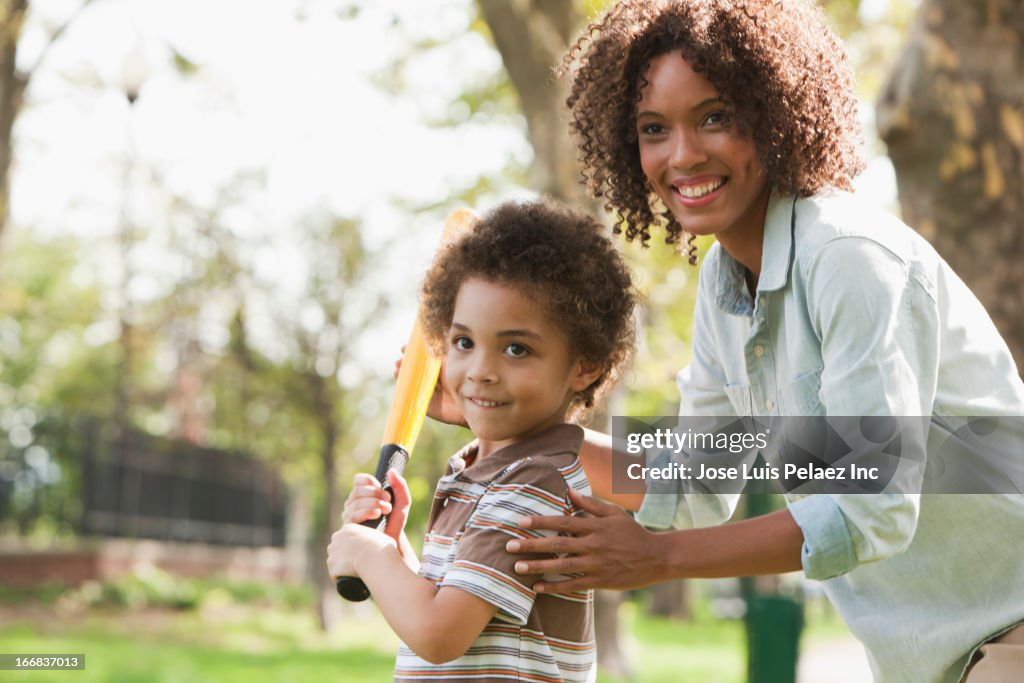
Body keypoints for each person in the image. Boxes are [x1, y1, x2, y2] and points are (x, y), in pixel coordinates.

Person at [418, 2, 1023, 682]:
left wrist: (659, 559)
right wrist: (526, 427)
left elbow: (872, 508)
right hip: (931, 655)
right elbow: (702, 477)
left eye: (715, 117)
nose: (682, 155)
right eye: (654, 129)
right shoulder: (724, 283)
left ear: (774, 113)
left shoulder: (848, 257)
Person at [326, 199, 637, 683]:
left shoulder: (533, 481)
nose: (480, 372)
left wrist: (371, 556)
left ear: (584, 367)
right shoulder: (479, 469)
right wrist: (392, 551)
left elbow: (439, 633)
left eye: (516, 349)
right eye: (464, 342)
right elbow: (453, 605)